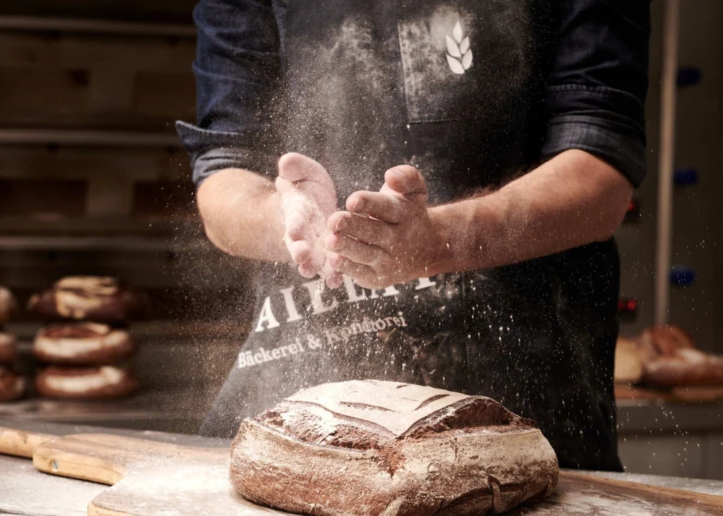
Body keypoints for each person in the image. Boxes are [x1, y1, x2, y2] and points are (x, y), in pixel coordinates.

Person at [177, 0, 650, 471]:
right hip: (305, 390)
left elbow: (599, 169)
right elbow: (224, 173)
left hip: (530, 392)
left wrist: (441, 239)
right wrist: (290, 220)